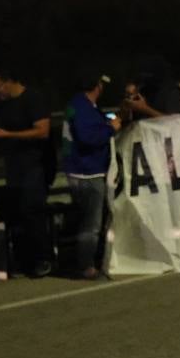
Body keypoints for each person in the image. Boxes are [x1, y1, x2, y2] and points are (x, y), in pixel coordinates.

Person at [0, 67, 57, 277]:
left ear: (9, 81)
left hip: (35, 165)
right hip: (14, 166)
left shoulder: (33, 99)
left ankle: (44, 259)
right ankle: (23, 261)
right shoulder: (3, 105)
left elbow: (42, 131)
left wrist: (9, 135)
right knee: (16, 213)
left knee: (32, 210)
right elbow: (5, 135)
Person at [62, 70, 121, 278]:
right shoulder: (83, 108)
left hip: (79, 171)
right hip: (87, 172)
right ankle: (86, 265)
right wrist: (110, 129)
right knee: (91, 223)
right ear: (97, 86)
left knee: (87, 220)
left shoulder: (80, 105)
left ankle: (85, 260)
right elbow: (88, 138)